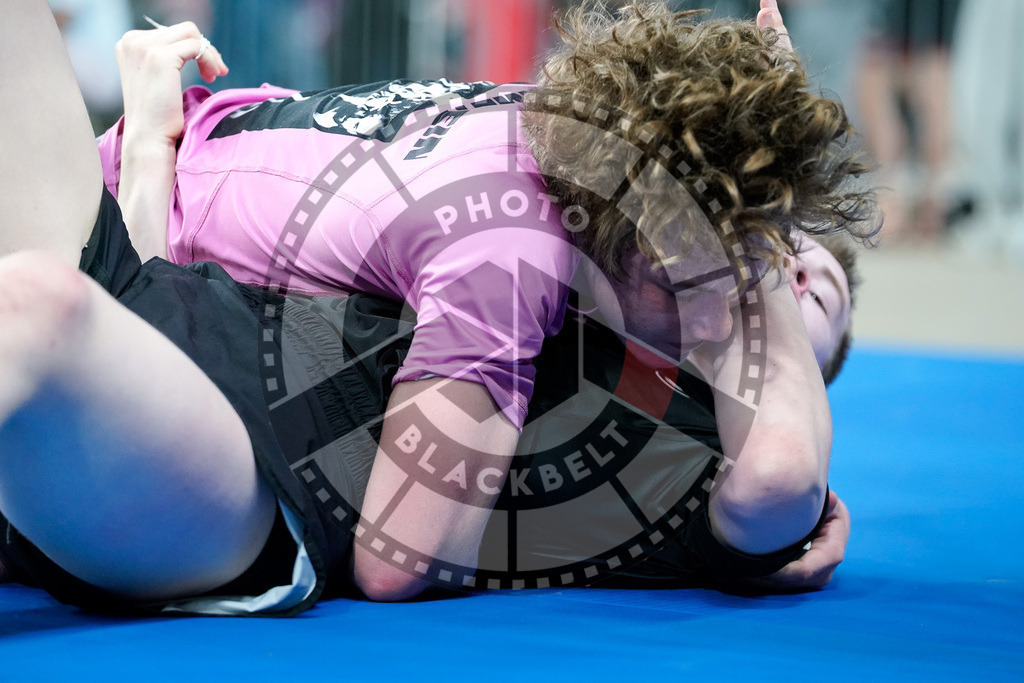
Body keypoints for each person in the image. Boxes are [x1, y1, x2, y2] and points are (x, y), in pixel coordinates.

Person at [0, 0, 867, 614]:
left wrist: (754, 259)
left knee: (36, 310)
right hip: (148, 254)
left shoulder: (705, 435)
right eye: (761, 255)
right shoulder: (527, 238)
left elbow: (780, 471)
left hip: (205, 403)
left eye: (791, 283)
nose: (758, 293)